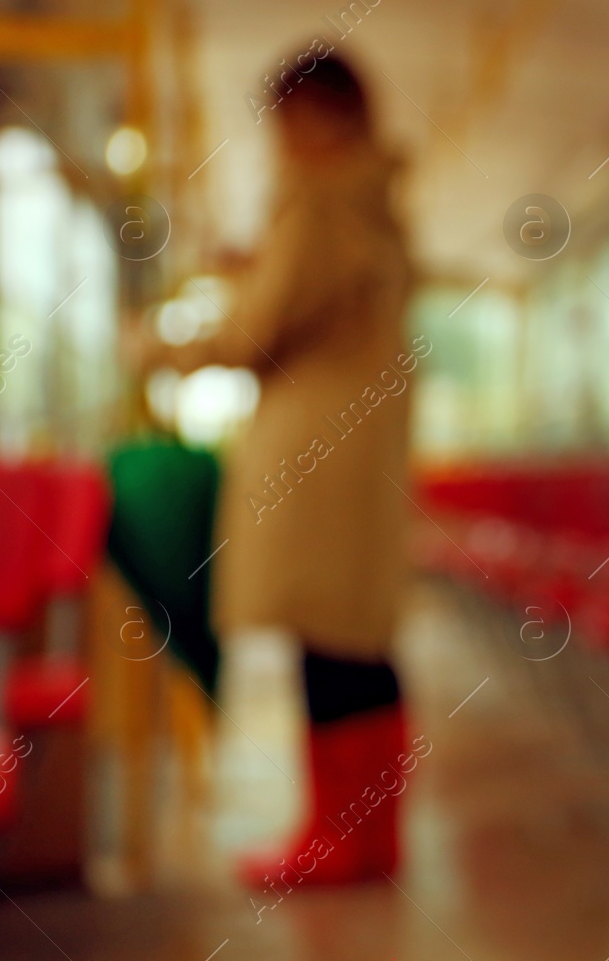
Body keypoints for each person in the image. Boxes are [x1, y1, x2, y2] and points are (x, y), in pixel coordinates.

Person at [133, 48, 416, 887]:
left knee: (325, 641)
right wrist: (260, 265)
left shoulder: (320, 196)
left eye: (285, 123)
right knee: (356, 640)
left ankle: (335, 836)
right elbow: (313, 297)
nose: (279, 144)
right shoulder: (372, 202)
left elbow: (258, 331)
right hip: (357, 456)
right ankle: (369, 836)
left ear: (317, 116)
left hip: (313, 457)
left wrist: (155, 346)